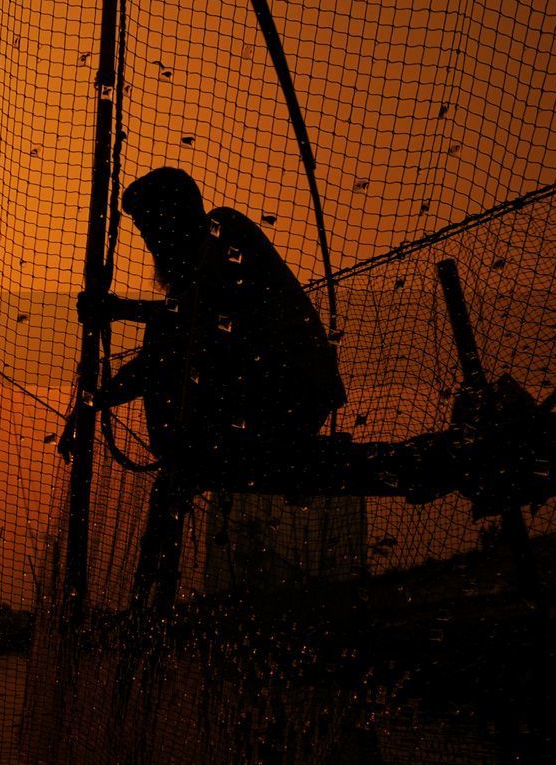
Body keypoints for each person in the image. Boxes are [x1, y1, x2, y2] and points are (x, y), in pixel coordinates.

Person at [63, 167, 345, 611]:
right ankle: (185, 463)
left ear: (178, 213)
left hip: (288, 396)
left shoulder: (223, 230)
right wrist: (91, 404)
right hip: (252, 405)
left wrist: (119, 309)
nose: (152, 240)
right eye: (143, 231)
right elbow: (160, 355)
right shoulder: (187, 282)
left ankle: (188, 457)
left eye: (155, 224)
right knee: (163, 343)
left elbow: (203, 316)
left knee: (167, 339)